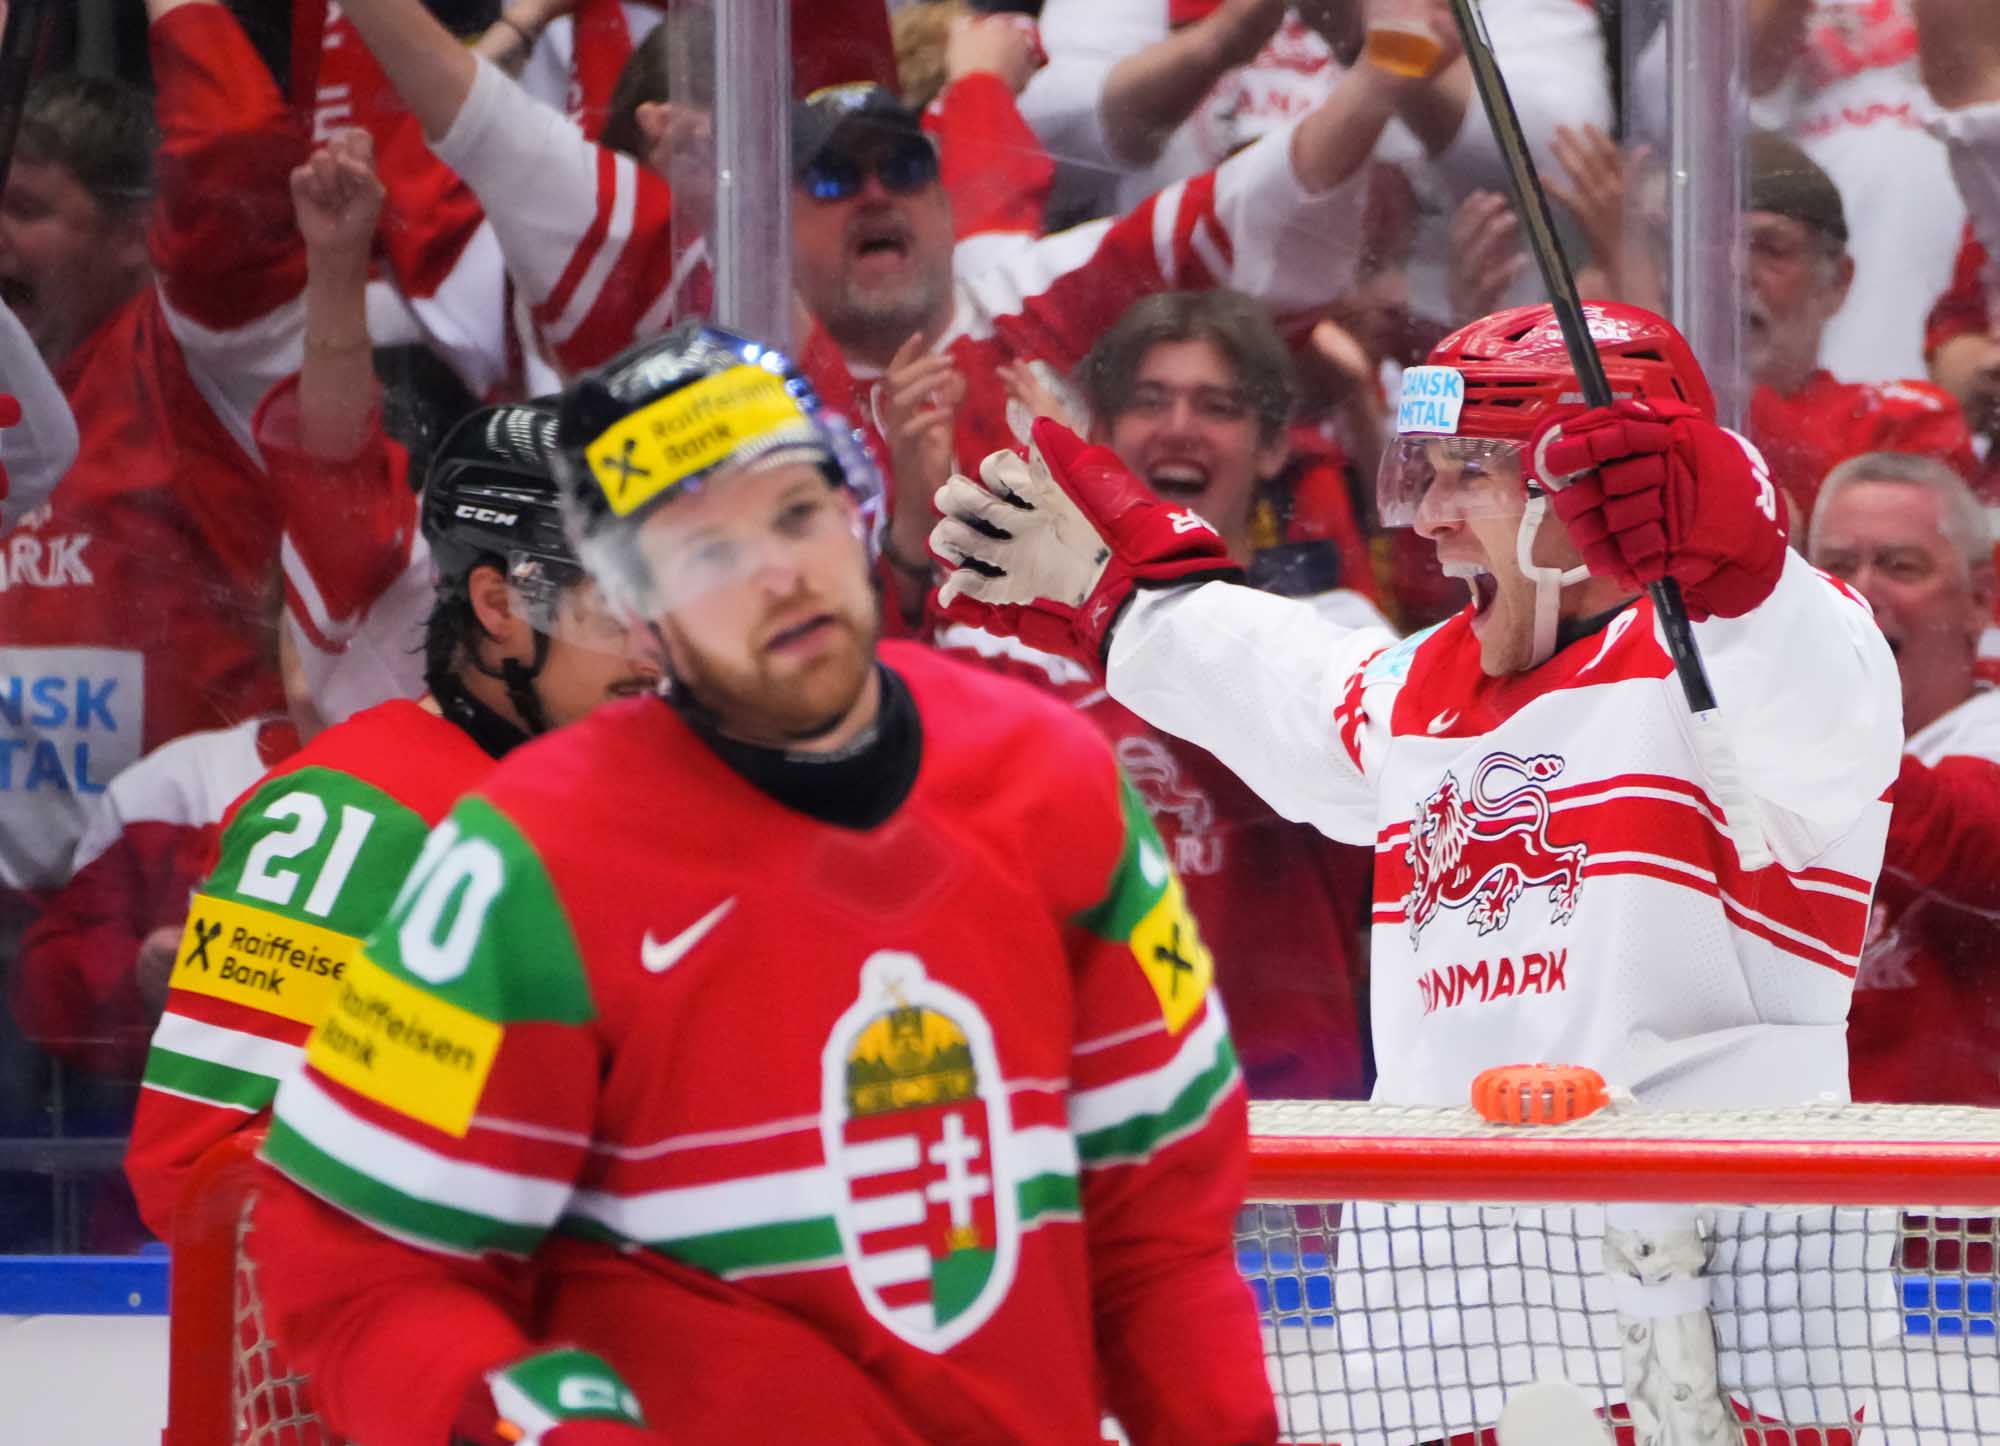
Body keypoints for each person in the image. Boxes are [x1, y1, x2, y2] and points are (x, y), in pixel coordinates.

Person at [248, 321, 1273, 1446]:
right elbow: (355, 1263)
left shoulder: (1057, 789)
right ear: (638, 611)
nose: (778, 574)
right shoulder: (520, 865)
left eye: (795, 513)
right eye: (706, 554)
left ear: (854, 513)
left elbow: (1159, 1241)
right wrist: (533, 1421)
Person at [931, 296, 1903, 1437]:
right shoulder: (1425, 689)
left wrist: (1734, 549)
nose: (1429, 520)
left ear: (1590, 485)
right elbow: (1289, 681)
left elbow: (1805, 683)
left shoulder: (1737, 661)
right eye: (1422, 474)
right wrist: (1123, 601)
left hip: (1720, 1363)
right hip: (1452, 1359)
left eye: (1468, 475)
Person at [122, 397, 657, 1241]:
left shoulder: (662, 805)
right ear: (498, 604)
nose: (654, 647)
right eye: (614, 604)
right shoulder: (351, 812)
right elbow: (204, 1176)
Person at [945, 288, 1380, 1099]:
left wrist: (1117, 529)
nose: (1180, 428)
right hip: (1084, 1112)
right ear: (1102, 435)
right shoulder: (999, 648)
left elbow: (1226, 689)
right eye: (1149, 402)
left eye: (1216, 406)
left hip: (1290, 1120)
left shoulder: (1342, 636)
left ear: (1273, 446)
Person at [1806, 451, 2000, 1106]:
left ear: (1980, 600)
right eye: (1836, 568)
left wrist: (1785, 722)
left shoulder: (1987, 734)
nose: (1860, 594)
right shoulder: (1768, 748)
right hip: (1776, 1153)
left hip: (1954, 1164)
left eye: (1900, 566)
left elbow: (1973, 839)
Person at [1738, 130, 1979, 522]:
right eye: (1710, 247)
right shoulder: (1648, 402)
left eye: (1771, 249)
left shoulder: (1904, 422)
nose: (1735, 271)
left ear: (1838, 282)